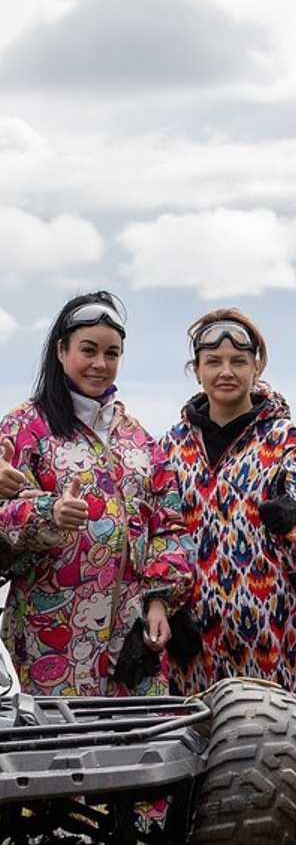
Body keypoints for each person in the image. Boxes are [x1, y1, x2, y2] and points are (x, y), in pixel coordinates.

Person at [161, 308, 296, 845]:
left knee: (278, 765)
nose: (226, 371)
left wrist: (293, 521)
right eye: (214, 361)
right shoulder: (173, 444)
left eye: (239, 361)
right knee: (196, 767)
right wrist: (163, 603)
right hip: (192, 643)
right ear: (197, 369)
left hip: (272, 638)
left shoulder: (285, 439)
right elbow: (159, 532)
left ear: (258, 368)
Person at [0, 292, 192, 697]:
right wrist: (48, 514)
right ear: (61, 350)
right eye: (88, 350)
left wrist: (159, 601)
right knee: (51, 751)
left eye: (112, 353)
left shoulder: (138, 439)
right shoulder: (24, 429)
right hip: (49, 640)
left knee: (132, 748)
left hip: (132, 641)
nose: (100, 364)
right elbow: (3, 516)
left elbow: (169, 524)